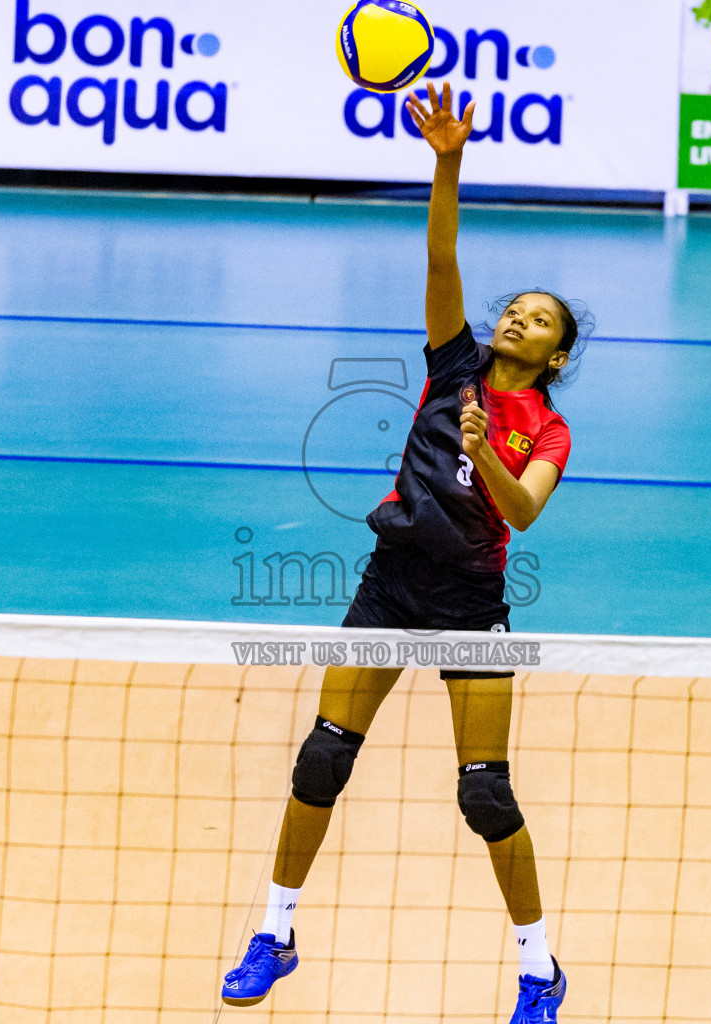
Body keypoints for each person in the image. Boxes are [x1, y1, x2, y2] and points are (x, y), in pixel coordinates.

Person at [219, 83, 585, 1024]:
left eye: (539, 321)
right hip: (391, 585)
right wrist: (448, 160)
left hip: (472, 606)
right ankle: (276, 931)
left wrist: (479, 454)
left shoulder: (547, 430)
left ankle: (540, 969)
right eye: (517, 310)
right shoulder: (451, 363)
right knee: (321, 761)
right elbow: (441, 255)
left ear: (553, 359)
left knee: (488, 797)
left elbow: (527, 514)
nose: (517, 320)